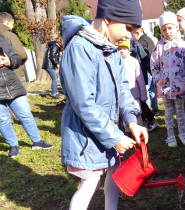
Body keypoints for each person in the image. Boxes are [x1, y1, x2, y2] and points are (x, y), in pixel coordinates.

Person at [59, 0, 148, 209]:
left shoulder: (112, 49)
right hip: (86, 135)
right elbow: (83, 104)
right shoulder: (79, 48)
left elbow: (124, 90)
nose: (130, 35)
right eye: (128, 28)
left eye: (134, 30)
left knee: (115, 173)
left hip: (110, 129)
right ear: (108, 18)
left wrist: (132, 121)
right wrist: (115, 136)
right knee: (90, 182)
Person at [0, 33, 53, 158]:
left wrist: (9, 60)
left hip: (13, 85)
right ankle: (13, 146)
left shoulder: (1, 38)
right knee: (2, 120)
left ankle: (37, 141)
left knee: (25, 114)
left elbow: (17, 58)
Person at [151, 11, 185, 147]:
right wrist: (159, 81)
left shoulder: (184, 45)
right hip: (165, 87)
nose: (167, 32)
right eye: (164, 29)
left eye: (170, 28)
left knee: (180, 111)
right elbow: (154, 65)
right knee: (168, 112)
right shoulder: (159, 46)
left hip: (179, 86)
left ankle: (182, 133)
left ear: (176, 27)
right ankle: (170, 136)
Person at [130, 34, 158, 131]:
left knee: (141, 101)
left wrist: (153, 74)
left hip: (137, 77)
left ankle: (150, 119)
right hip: (126, 80)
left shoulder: (135, 44)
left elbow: (145, 59)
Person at [118, 38, 147, 129]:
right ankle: (129, 137)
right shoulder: (115, 61)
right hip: (121, 95)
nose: (122, 51)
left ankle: (141, 138)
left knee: (137, 115)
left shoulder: (133, 61)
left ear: (128, 49)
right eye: (119, 49)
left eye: (124, 48)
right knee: (125, 118)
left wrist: (143, 95)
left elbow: (140, 79)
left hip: (134, 95)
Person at [0, 12, 27, 89]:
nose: (12, 27)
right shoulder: (10, 35)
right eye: (12, 24)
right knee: (20, 98)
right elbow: (22, 55)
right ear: (8, 22)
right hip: (15, 73)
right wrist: (18, 62)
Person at [132, 27, 160, 116]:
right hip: (152, 68)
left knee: (146, 90)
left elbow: (144, 57)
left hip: (146, 69)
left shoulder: (141, 42)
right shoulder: (148, 39)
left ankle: (147, 110)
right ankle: (155, 108)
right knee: (152, 90)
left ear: (137, 33)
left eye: (133, 35)